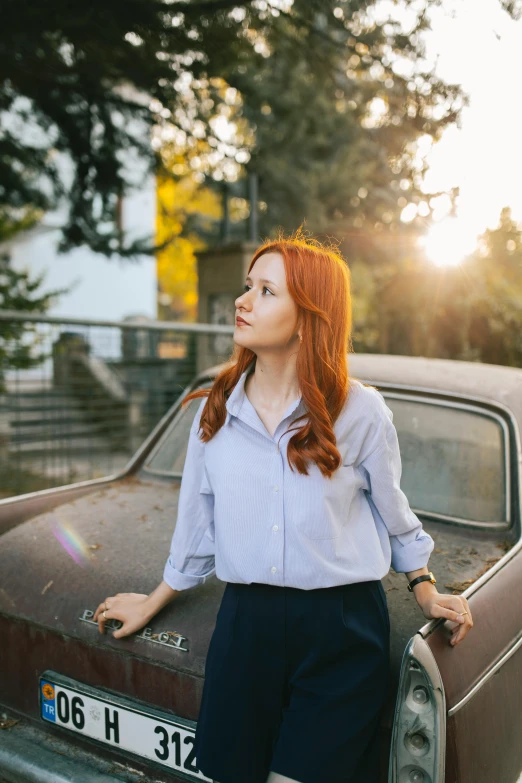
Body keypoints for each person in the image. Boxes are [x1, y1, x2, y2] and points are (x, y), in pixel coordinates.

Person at [94, 230, 473, 783]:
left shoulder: (361, 411)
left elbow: (393, 511)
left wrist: (426, 586)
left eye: (266, 291)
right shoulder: (214, 412)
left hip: (341, 630)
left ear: (307, 317)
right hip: (247, 628)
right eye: (248, 286)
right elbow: (197, 525)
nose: (242, 301)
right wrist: (154, 601)